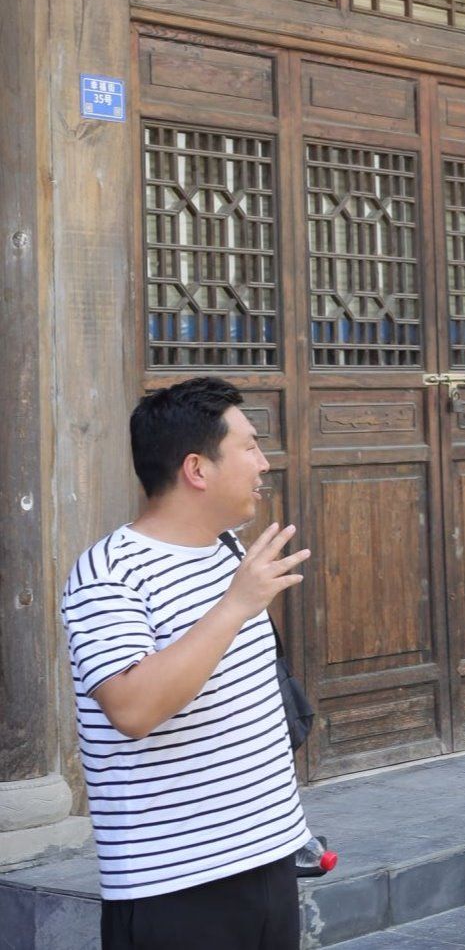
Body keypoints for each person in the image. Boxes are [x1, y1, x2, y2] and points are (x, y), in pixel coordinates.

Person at [60, 377, 312, 950]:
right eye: (249, 447)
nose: (264, 464)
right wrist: (236, 605)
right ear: (197, 469)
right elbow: (132, 709)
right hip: (176, 886)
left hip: (270, 857)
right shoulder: (108, 573)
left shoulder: (228, 550)